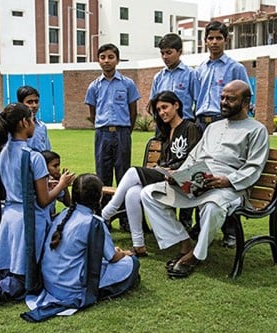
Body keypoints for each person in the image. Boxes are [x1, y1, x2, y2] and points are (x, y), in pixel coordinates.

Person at [0, 103, 75, 317]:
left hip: (9, 216)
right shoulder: (33, 156)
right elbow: (45, 200)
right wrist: (62, 184)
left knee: (4, 267)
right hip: (28, 220)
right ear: (23, 122)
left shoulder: (2, 153)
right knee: (23, 277)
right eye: (31, 119)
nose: (34, 124)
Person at [140, 80, 269, 279]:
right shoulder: (213, 127)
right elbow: (194, 156)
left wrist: (227, 180)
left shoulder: (257, 130)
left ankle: (195, 256)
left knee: (213, 207)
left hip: (229, 188)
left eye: (230, 99)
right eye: (223, 98)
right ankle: (184, 242)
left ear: (245, 102)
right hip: (198, 181)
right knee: (149, 193)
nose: (224, 102)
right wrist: (179, 175)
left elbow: (254, 167)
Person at [21, 173, 140, 322]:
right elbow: (113, 257)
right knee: (132, 263)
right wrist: (125, 253)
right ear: (99, 197)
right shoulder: (94, 222)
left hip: (50, 283)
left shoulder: (63, 215)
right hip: (70, 288)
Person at [101, 91, 200, 256]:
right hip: (165, 176)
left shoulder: (190, 128)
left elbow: (194, 159)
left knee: (133, 171)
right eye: (159, 110)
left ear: (176, 105)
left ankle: (106, 213)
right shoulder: (166, 131)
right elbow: (164, 160)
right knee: (133, 193)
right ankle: (138, 245)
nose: (162, 112)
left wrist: (173, 170)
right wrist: (162, 168)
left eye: (165, 107)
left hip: (181, 179)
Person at [193, 20, 252, 247]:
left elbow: (246, 96)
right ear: (205, 41)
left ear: (225, 40)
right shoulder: (200, 69)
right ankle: (202, 223)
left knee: (223, 174)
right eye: (210, 38)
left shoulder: (235, 68)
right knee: (201, 171)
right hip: (201, 122)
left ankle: (231, 230)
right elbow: (197, 98)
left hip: (223, 121)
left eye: (219, 38)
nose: (214, 42)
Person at [84, 43, 141, 231]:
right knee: (102, 175)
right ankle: (105, 216)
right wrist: (103, 128)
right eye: (102, 57)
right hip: (102, 134)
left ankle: (125, 217)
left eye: (110, 57)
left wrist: (126, 131)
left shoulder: (127, 84)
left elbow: (133, 113)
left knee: (124, 176)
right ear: (98, 60)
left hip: (122, 133)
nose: (106, 61)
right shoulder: (94, 86)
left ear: (117, 59)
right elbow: (93, 113)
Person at [150, 33, 197, 122]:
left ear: (179, 52)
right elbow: (153, 103)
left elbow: (198, 102)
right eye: (162, 53)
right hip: (163, 126)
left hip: (184, 123)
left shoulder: (191, 74)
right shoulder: (158, 77)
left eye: (169, 53)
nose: (165, 57)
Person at [17, 86, 51, 152]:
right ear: (21, 104)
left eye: (36, 101)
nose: (34, 105)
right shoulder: (16, 127)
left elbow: (47, 150)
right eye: (30, 102)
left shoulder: (42, 126)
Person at [41, 150, 71, 220]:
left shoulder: (56, 182)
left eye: (59, 165)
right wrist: (61, 185)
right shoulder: (42, 184)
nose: (58, 169)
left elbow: (68, 203)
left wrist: (64, 186)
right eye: (55, 166)